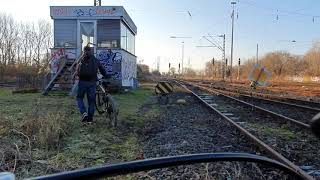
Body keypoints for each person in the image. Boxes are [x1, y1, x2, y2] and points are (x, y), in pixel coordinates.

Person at [76, 46, 110, 123]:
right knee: (91, 101)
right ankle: (90, 119)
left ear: (84, 51)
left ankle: (84, 113)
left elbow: (77, 71)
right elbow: (102, 70)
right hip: (92, 83)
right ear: (91, 51)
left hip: (82, 82)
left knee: (79, 98)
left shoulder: (81, 60)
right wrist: (106, 76)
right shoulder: (95, 60)